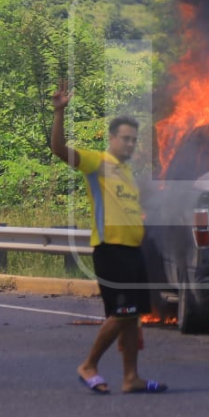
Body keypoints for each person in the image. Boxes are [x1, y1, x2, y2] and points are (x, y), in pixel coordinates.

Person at [50, 78, 167, 395]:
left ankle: (131, 378)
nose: (130, 144)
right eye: (125, 139)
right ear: (111, 139)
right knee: (123, 313)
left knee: (133, 318)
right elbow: (59, 149)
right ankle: (89, 364)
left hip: (133, 251)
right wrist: (59, 113)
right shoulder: (97, 162)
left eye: (134, 140)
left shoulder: (128, 174)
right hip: (110, 250)